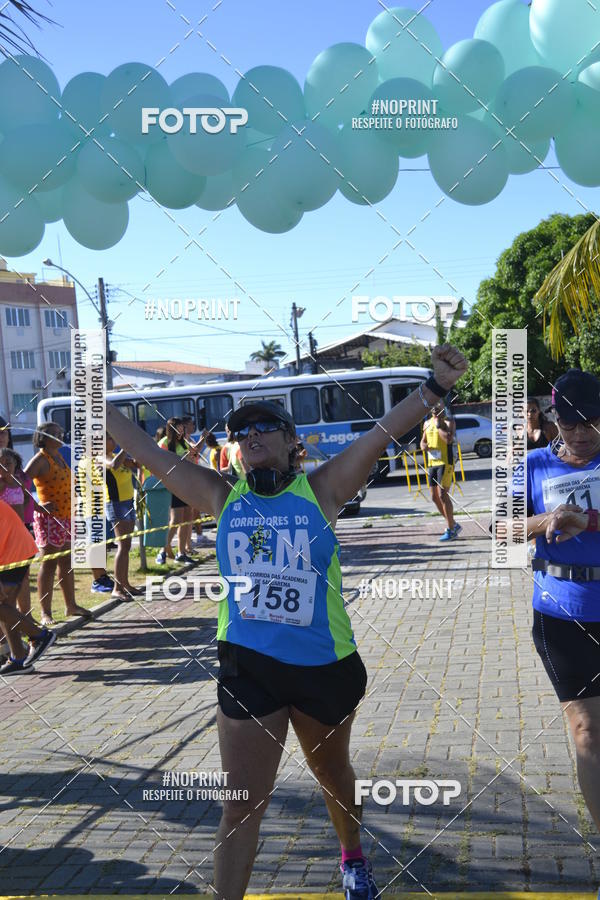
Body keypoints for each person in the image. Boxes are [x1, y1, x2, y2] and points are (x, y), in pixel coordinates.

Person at [105, 344, 468, 900]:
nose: (252, 437)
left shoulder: (321, 490)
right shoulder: (220, 496)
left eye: (266, 428)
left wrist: (435, 387)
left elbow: (379, 435)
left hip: (324, 664)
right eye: (242, 432)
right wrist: (90, 397)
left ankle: (351, 855)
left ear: (292, 441)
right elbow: (146, 452)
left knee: (332, 775)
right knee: (241, 804)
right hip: (249, 667)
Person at [527, 368, 600, 837]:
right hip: (562, 614)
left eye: (591, 422)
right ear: (554, 419)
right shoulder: (531, 465)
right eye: (569, 424)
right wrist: (547, 520)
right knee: (588, 733)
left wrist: (585, 519)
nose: (579, 434)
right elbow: (501, 531)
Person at [24, 422, 90, 625]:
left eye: (61, 432)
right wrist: (37, 506)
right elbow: (20, 484)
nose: (60, 436)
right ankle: (46, 613)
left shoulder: (59, 456)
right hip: (49, 520)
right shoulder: (40, 460)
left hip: (67, 517)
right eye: (54, 434)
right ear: (43, 438)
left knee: (67, 562)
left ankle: (71, 605)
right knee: (49, 564)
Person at [0, 498, 57, 674]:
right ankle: (18, 658)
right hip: (16, 547)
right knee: (6, 609)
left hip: (12, 551)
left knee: (1, 608)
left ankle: (40, 635)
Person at [104, 434, 143, 600]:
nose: (114, 441)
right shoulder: (101, 457)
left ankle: (125, 583)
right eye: (109, 439)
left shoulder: (117, 455)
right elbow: (113, 466)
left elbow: (136, 464)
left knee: (126, 546)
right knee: (122, 545)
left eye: (114, 438)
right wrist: (126, 448)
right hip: (115, 503)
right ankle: (117, 587)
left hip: (128, 501)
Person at [156, 417, 195, 565]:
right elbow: (160, 463)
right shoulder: (164, 443)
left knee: (186, 519)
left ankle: (181, 552)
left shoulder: (183, 442)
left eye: (182, 428)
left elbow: (191, 460)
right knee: (176, 519)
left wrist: (189, 458)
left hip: (185, 484)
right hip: (171, 485)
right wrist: (179, 460)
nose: (181, 431)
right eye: (178, 428)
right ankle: (163, 550)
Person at [420, 403, 461, 541]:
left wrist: (439, 425)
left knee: (443, 495)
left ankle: (451, 529)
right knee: (434, 497)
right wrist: (424, 446)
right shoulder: (426, 423)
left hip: (446, 462)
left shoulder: (449, 422)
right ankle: (453, 524)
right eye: (433, 407)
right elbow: (423, 441)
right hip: (432, 463)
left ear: (443, 407)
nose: (435, 409)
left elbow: (448, 440)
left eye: (438, 406)